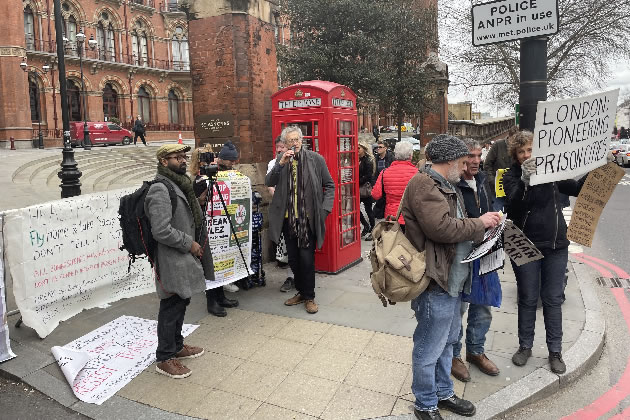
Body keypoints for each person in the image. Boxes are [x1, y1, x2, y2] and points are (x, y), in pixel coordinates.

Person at [401, 134, 502, 420]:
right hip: (436, 281)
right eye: (462, 159)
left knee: (447, 343)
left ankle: (444, 392)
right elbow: (441, 228)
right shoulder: (424, 183)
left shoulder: (448, 184)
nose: (468, 164)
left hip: (454, 280)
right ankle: (425, 403)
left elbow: (457, 226)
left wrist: (486, 232)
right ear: (449, 159)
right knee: (429, 345)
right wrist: (479, 223)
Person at [503, 130, 588, 375]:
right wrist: (524, 182)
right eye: (521, 152)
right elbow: (512, 204)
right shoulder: (511, 176)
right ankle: (525, 346)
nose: (527, 155)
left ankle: (555, 352)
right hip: (525, 244)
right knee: (528, 298)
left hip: (556, 246)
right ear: (516, 156)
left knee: (552, 299)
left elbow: (577, 188)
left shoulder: (552, 173)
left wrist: (596, 165)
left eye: (530, 150)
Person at [145, 144, 215, 378]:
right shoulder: (160, 189)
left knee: (181, 300)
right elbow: (161, 230)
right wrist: (189, 243)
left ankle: (176, 345)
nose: (183, 160)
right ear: (164, 161)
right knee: (171, 306)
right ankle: (165, 357)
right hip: (172, 256)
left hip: (183, 255)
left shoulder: (179, 183)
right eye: (177, 157)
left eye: (184, 156)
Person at [265, 126, 335, 314]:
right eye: (290, 141)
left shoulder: (315, 159)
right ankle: (301, 292)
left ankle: (309, 296)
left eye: (296, 140)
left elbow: (329, 185)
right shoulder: (279, 162)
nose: (294, 143)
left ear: (302, 141)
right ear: (284, 144)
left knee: (306, 259)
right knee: (294, 260)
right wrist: (280, 163)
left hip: (307, 220)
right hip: (288, 220)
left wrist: (324, 210)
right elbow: (269, 182)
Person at [451, 138, 499, 383]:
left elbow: (487, 208)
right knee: (457, 309)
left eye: (479, 156)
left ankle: (476, 351)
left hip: (484, 251)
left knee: (483, 306)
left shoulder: (482, 180)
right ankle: (454, 355)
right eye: (471, 156)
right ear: (460, 157)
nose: (477, 161)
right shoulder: (452, 183)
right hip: (460, 255)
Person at [188, 146, 239, 317]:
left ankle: (221, 296)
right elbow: (193, 203)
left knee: (219, 261)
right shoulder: (198, 179)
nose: (232, 163)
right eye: (207, 158)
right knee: (209, 263)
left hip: (220, 223)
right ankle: (212, 301)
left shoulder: (221, 175)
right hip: (204, 226)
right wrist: (200, 198)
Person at [267, 136, 295, 293]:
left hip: (297, 210)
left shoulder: (298, 161)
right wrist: (279, 198)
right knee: (285, 246)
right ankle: (290, 277)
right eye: (277, 146)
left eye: (282, 146)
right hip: (281, 210)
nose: (279, 149)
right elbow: (270, 185)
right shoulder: (273, 163)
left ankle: (299, 275)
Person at [371, 141, 417, 230]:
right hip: (410, 216)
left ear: (396, 155)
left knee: (393, 242)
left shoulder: (384, 172)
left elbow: (375, 195)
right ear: (410, 156)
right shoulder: (417, 173)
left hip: (391, 216)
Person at [484, 128, 515, 211]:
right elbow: (487, 165)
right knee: (498, 217)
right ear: (509, 137)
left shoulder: (519, 148)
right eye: (514, 141)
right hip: (497, 191)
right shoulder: (498, 145)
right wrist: (493, 181)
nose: (515, 144)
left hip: (512, 190)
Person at [358, 141, 376, 240]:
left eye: (359, 148)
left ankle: (373, 228)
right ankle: (365, 225)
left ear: (364, 149)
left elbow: (369, 175)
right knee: (356, 209)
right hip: (358, 188)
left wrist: (357, 181)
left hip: (365, 188)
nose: (357, 150)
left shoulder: (368, 160)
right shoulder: (355, 159)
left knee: (368, 209)